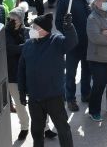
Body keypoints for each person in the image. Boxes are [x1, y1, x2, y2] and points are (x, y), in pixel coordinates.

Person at [18, 12, 77, 147]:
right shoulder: (28, 45)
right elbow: (21, 70)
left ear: (43, 29)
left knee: (63, 128)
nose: (31, 29)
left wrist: (69, 27)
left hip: (53, 96)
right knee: (37, 131)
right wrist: (22, 90)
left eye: (34, 27)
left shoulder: (56, 41)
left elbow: (72, 42)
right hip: (34, 98)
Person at [55, 0, 92, 111]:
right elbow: (58, 22)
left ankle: (86, 93)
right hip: (72, 44)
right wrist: (67, 28)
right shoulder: (65, 1)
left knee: (87, 70)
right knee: (71, 72)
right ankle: (70, 98)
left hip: (86, 41)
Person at [5, 3, 30, 141]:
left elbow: (29, 48)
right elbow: (10, 49)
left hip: (29, 73)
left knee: (38, 103)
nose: (11, 21)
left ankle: (45, 127)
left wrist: (21, 47)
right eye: (9, 19)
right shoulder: (5, 32)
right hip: (13, 75)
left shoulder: (27, 31)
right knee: (19, 105)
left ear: (21, 19)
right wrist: (24, 46)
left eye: (14, 19)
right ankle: (24, 127)